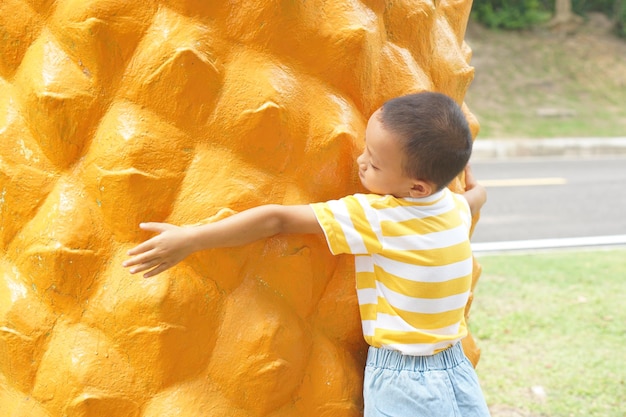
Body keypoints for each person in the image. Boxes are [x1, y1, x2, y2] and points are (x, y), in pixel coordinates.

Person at [123, 91, 489, 417]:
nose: (361, 161)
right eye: (366, 149)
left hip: (403, 377)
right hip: (455, 368)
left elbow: (276, 219)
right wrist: (479, 190)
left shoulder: (378, 217)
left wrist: (191, 238)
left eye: (375, 164)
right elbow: (474, 200)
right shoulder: (450, 207)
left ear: (417, 187)